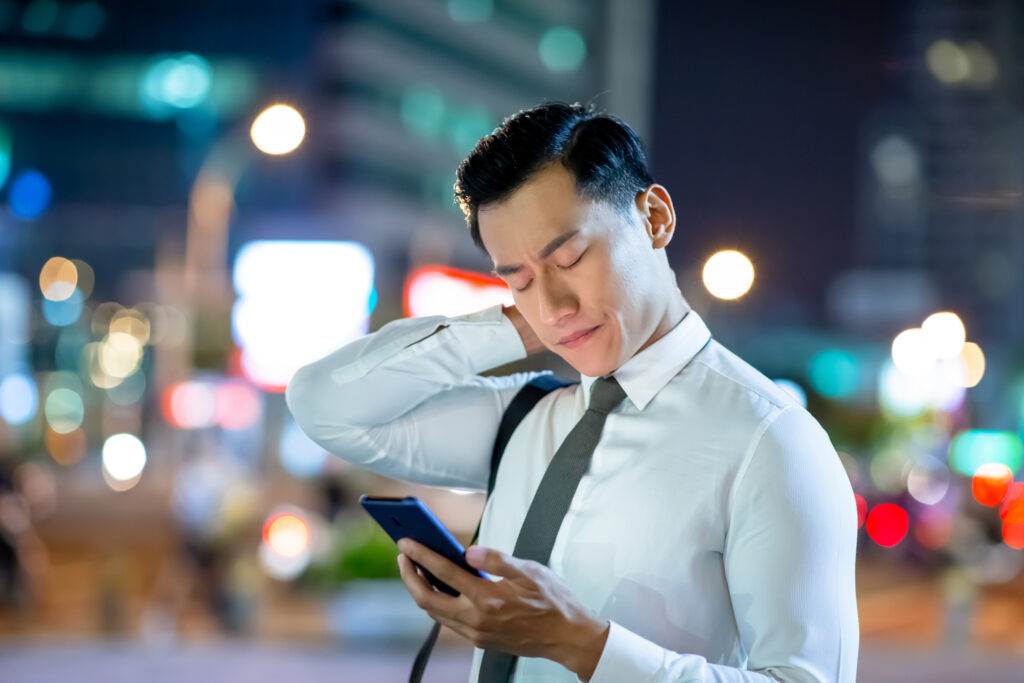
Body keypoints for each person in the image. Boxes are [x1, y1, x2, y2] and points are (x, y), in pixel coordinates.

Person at [286, 102, 859, 682]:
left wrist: (582, 644)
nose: (554, 304)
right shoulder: (523, 419)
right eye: (520, 279)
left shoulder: (772, 440)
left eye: (571, 257)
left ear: (655, 218)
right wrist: (515, 327)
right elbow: (323, 405)